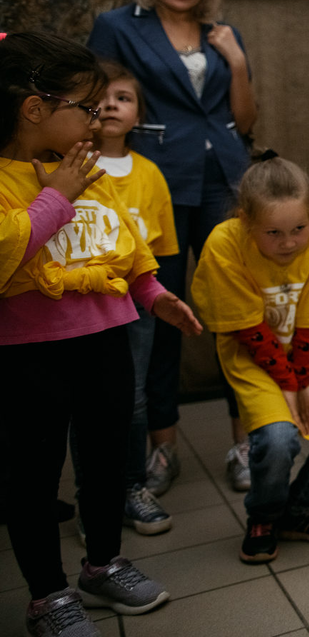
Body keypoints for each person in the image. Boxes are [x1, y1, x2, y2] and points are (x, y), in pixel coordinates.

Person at [1, 32, 200, 636]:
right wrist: (56, 196)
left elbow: (125, 244)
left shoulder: (87, 168)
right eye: (84, 108)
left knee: (109, 455)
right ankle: (47, 596)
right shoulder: (25, 177)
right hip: (29, 352)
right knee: (33, 475)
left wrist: (155, 295)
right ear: (36, 109)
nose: (96, 119)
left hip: (107, 336)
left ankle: (102, 562)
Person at [87, 0, 257, 495]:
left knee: (236, 309)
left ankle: (246, 443)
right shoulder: (116, 27)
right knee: (159, 314)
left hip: (223, 181)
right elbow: (97, 104)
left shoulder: (222, 31)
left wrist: (234, 62)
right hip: (155, 183)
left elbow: (246, 121)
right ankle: (163, 448)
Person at [191, 157, 309, 565]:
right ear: (246, 221)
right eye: (273, 233)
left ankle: (301, 509)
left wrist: (302, 379)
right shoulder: (223, 242)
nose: (289, 242)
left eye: (297, 229)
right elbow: (249, 329)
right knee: (277, 437)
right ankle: (264, 517)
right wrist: (288, 384)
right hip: (254, 356)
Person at [69, 60, 179, 539]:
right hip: (78, 301)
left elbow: (162, 248)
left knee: (132, 394)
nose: (111, 105)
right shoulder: (68, 166)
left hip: (137, 302)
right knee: (80, 398)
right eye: (102, 98)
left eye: (124, 97)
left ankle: (132, 485)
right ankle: (91, 495)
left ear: (140, 114)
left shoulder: (151, 173)